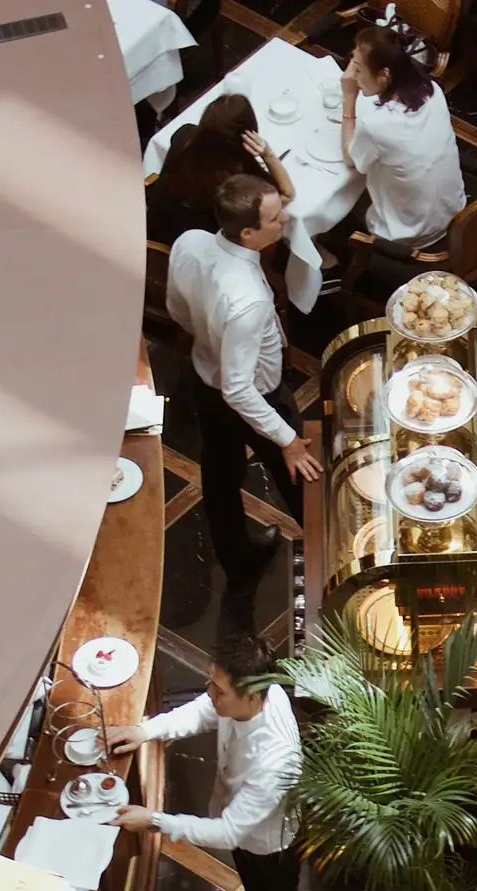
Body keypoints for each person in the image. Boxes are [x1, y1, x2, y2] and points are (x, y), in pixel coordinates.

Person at [109, 635, 313, 891]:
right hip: (245, 832)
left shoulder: (275, 761)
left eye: (219, 690)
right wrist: (145, 731)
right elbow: (205, 710)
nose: (209, 694)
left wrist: (153, 820)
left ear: (250, 696)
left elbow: (228, 832)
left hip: (270, 847)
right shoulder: (253, 695)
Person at [167, 175, 322, 589]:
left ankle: (236, 559)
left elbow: (177, 309)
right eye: (275, 218)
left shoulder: (189, 242)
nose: (285, 219)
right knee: (302, 478)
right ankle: (329, 557)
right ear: (248, 233)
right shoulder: (248, 298)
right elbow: (239, 389)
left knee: (219, 475)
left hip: (205, 380)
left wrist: (209, 337)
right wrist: (288, 440)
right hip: (259, 395)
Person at [340, 25, 465, 248]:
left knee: (339, 200)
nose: (353, 76)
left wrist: (349, 97)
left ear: (384, 75)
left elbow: (351, 159)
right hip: (453, 211)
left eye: (358, 70)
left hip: (410, 232)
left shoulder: (377, 125)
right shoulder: (432, 90)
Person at [148, 94, 295, 245]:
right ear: (247, 137)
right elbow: (287, 194)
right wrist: (268, 155)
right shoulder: (237, 183)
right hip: (197, 245)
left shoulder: (184, 135)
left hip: (155, 224)